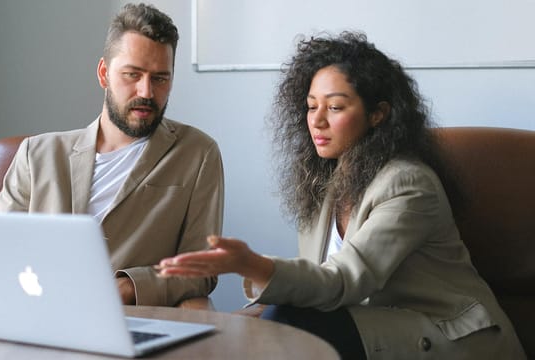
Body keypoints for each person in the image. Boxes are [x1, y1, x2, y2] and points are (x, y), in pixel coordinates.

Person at [157, 32, 526, 359]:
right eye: (311, 106)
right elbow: (314, 288)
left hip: (452, 337)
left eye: (334, 107)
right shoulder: (326, 182)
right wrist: (226, 326)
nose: (317, 120)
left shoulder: (409, 185)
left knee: (288, 322)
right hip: (373, 328)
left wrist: (251, 264)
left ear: (378, 114)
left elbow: (343, 282)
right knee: (254, 329)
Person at [0, 3, 223, 318]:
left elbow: (202, 269)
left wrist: (123, 288)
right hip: (10, 308)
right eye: (132, 74)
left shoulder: (196, 153)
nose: (146, 91)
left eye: (160, 78)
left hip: (115, 318)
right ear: (104, 74)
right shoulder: (37, 153)